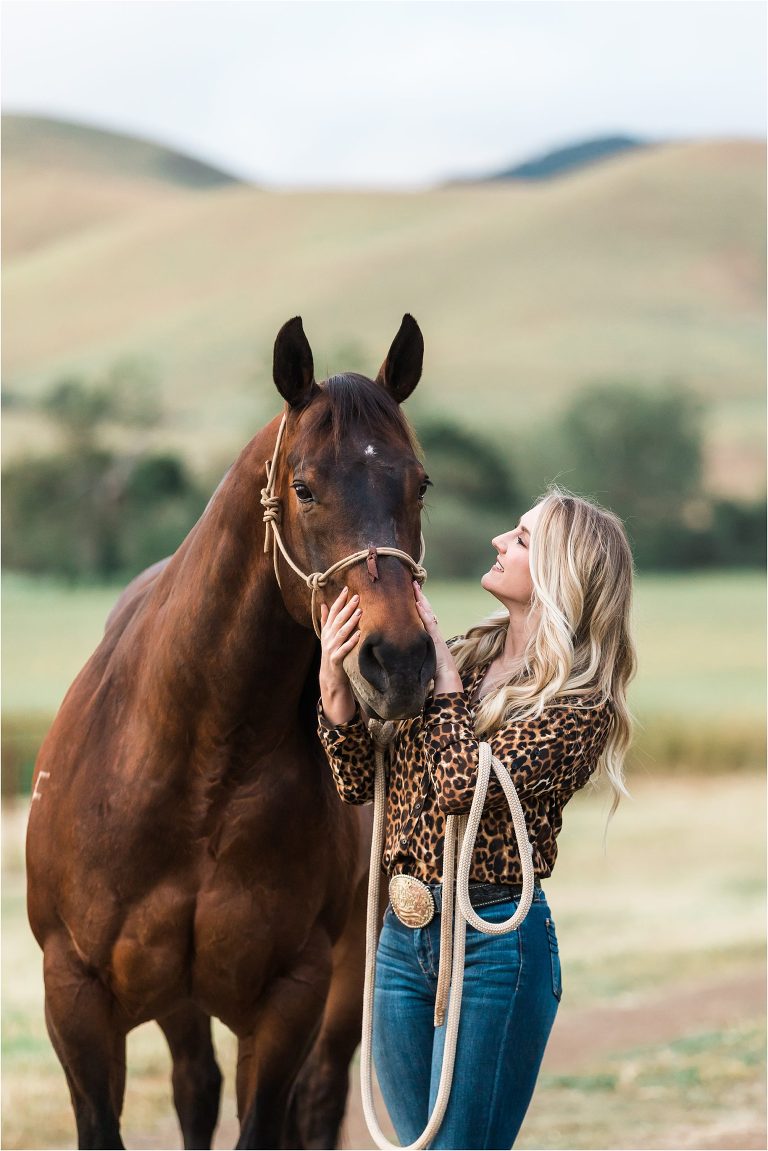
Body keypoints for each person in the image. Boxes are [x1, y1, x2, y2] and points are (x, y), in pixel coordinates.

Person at [318, 487, 636, 1150]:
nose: (498, 541)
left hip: (494, 943)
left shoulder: (579, 707)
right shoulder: (457, 656)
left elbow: (462, 784)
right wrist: (335, 696)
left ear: (560, 572)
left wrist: (446, 689)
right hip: (403, 944)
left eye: (521, 538)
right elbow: (360, 784)